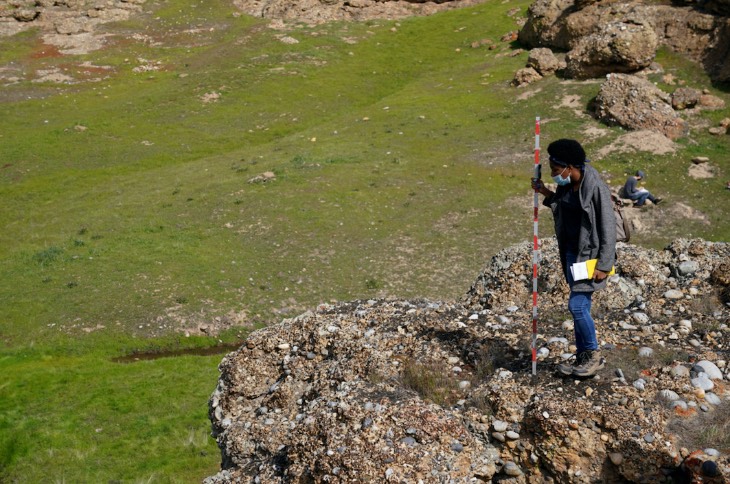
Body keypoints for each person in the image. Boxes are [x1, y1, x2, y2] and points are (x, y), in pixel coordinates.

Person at [531, 139, 616, 377]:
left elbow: (608, 227)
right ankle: (582, 358)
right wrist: (546, 192)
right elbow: (563, 206)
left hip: (590, 258)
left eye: (556, 171)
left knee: (577, 306)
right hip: (571, 253)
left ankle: (593, 355)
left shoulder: (595, 187)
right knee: (581, 306)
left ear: (570, 166)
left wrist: (605, 264)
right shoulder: (567, 185)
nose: (554, 174)